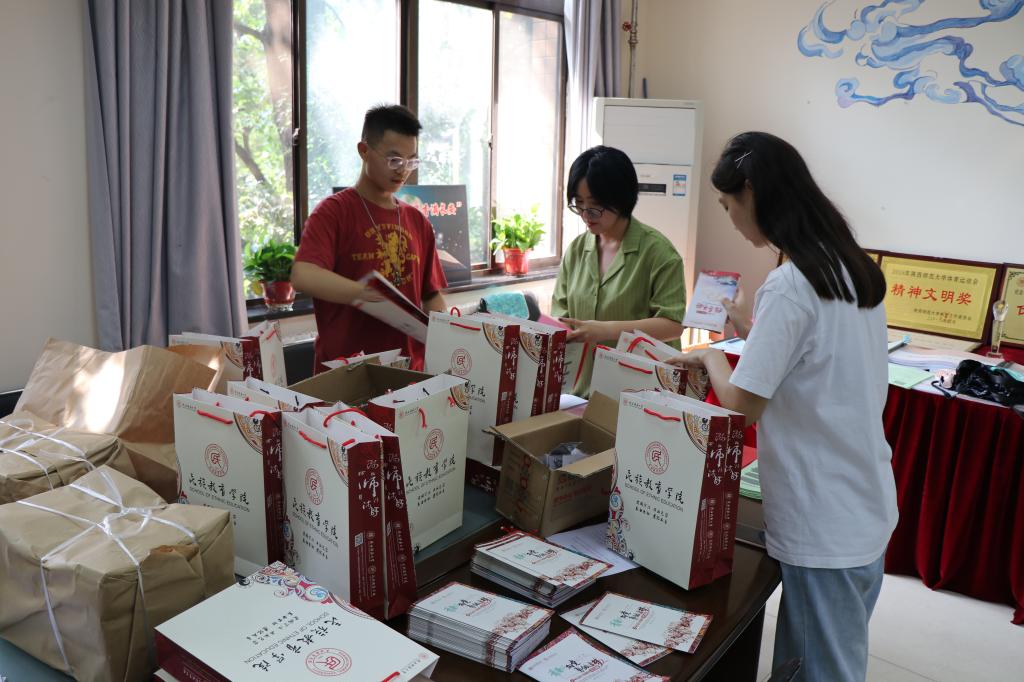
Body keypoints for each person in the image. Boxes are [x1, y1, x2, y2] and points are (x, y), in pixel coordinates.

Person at [668, 132, 897, 682]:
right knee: (820, 658)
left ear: (751, 191)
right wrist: (750, 328)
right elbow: (813, 362)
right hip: (862, 501)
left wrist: (710, 356)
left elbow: (741, 408)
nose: (730, 220)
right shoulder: (844, 266)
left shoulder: (791, 285)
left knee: (819, 670)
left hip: (823, 520)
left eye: (727, 205)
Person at [292, 104, 447, 372]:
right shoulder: (334, 212)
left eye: (411, 161)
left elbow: (432, 295)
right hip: (347, 373)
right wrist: (365, 294)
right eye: (394, 160)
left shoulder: (417, 220)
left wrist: (446, 333)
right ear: (364, 151)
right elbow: (303, 274)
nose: (403, 170)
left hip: (408, 372)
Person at [551, 145, 686, 397]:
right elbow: (561, 316)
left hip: (641, 393)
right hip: (581, 391)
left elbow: (672, 325)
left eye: (595, 205)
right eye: (579, 204)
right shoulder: (577, 250)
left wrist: (606, 330)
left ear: (621, 199)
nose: (586, 215)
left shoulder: (658, 253)